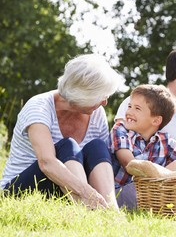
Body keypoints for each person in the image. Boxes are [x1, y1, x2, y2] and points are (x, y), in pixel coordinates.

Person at [0, 54, 123, 210]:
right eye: (100, 97)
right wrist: (87, 193)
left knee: (97, 146)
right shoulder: (39, 107)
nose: (105, 102)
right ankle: (85, 212)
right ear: (82, 95)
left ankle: (112, 212)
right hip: (22, 189)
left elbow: (98, 161)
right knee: (67, 145)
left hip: (66, 190)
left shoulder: (97, 112)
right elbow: (46, 163)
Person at [108, 84, 176, 210]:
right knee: (166, 180)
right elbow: (129, 164)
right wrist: (165, 173)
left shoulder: (164, 140)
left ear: (156, 121)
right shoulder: (121, 130)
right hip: (120, 192)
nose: (129, 112)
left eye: (137, 108)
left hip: (150, 194)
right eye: (129, 106)